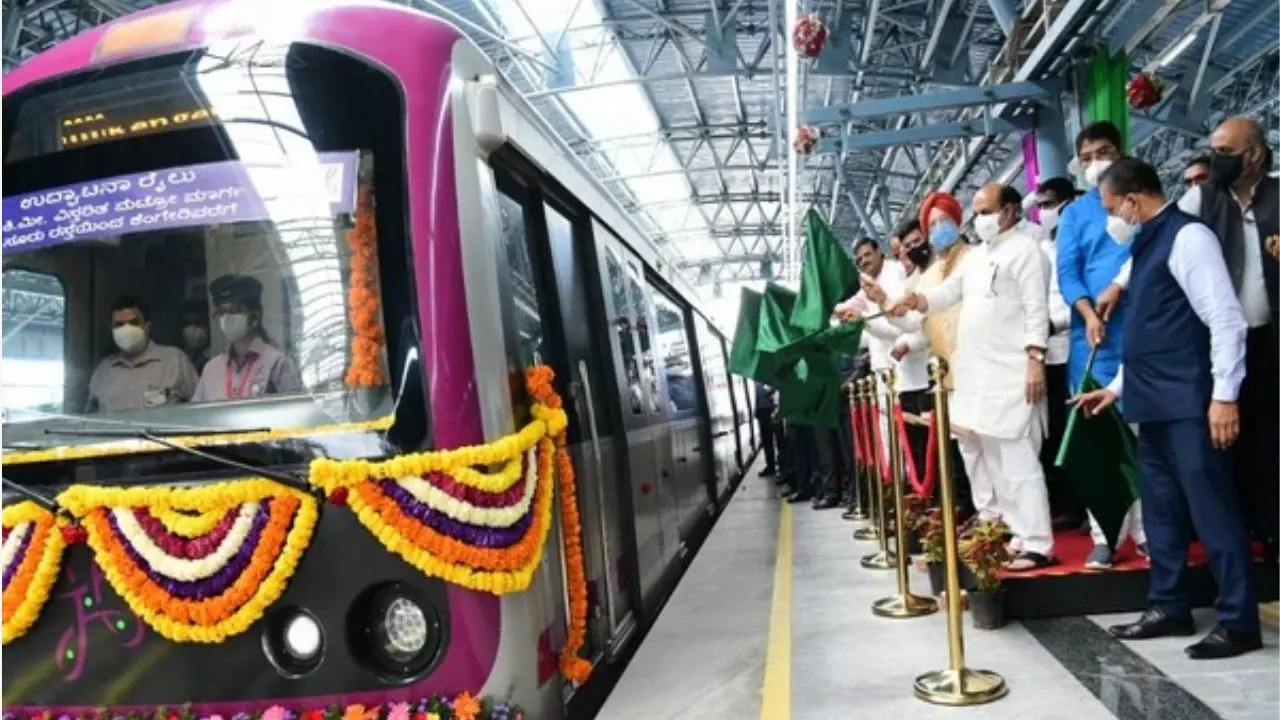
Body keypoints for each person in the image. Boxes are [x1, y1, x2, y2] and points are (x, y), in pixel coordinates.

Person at [1075, 157, 1259, 659]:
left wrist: (1224, 395)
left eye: (1113, 207)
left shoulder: (1188, 238)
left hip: (1190, 402)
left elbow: (1225, 319)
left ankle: (1239, 620)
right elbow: (1151, 331)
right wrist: (1115, 387)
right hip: (1151, 401)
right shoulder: (1147, 241)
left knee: (1213, 511)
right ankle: (1169, 605)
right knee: (1162, 514)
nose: (1113, 217)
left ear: (1134, 198)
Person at [889, 183, 1055, 571]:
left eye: (986, 211)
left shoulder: (1025, 251)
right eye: (976, 212)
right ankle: (1017, 533)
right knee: (995, 463)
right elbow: (947, 293)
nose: (979, 220)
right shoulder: (978, 258)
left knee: (1019, 461)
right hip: (977, 376)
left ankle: (1038, 543)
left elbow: (1035, 311)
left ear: (1011, 211)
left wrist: (1035, 359)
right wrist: (917, 300)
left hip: (1012, 372)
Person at [1057, 121, 1144, 567]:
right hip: (1090, 337)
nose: (1096, 164)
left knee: (1141, 435)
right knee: (1098, 438)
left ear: (1122, 151)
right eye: (1087, 157)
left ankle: (1147, 532)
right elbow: (1068, 272)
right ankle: (1104, 534)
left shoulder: (1138, 201)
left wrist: (1120, 290)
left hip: (1139, 328)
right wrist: (1088, 312)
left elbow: (1147, 254)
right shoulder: (1075, 213)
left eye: (1105, 152)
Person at [890, 195, 976, 518]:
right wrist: (887, 302)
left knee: (989, 447)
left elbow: (941, 299)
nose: (939, 229)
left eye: (944, 221)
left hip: (977, 366)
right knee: (961, 449)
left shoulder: (974, 258)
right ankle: (973, 509)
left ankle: (1002, 519)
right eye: (933, 224)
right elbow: (915, 323)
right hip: (943, 374)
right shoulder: (928, 275)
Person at [1029, 177, 1087, 531]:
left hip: (1073, 348)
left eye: (1050, 204)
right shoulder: (1041, 248)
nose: (1045, 211)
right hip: (1045, 355)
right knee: (1053, 434)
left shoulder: (1077, 243)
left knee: (1076, 430)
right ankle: (1066, 503)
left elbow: (1081, 295)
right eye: (1043, 205)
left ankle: (1086, 505)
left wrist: (1056, 323)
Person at [192, 274, 303, 402]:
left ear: (254, 317)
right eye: (222, 312)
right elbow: (195, 415)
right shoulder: (212, 369)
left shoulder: (276, 363)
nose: (226, 318)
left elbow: (293, 411)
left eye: (234, 311)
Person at [85, 295, 199, 412]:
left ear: (147, 326)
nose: (126, 329)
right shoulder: (103, 371)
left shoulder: (175, 361)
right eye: (119, 325)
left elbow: (200, 408)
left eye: (133, 322)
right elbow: (90, 419)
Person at [755, 383, 779, 477]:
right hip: (763, 408)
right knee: (767, 440)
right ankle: (771, 464)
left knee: (772, 439)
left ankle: (773, 465)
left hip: (769, 407)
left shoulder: (764, 374)